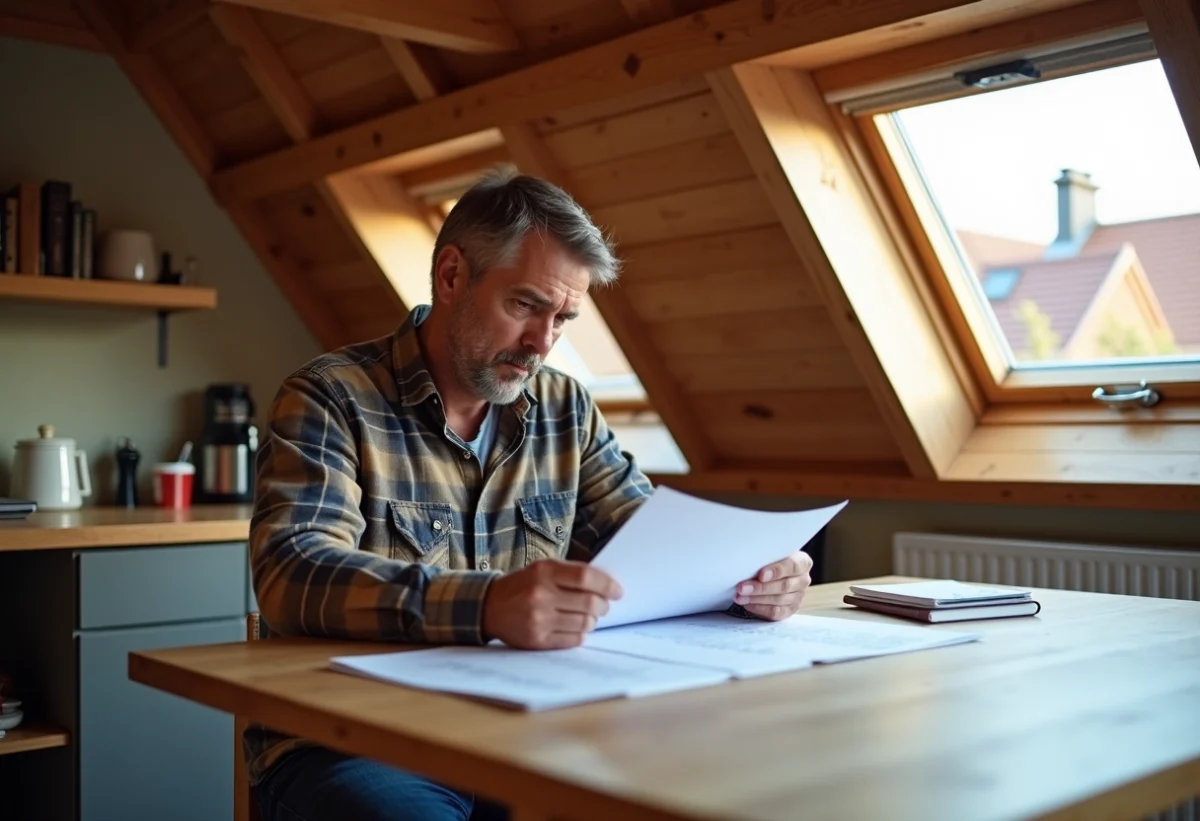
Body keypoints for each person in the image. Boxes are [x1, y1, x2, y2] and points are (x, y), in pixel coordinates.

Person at [245, 169, 815, 821]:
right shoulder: (330, 397)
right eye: (525, 306)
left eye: (563, 318)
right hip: (354, 742)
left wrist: (754, 577)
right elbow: (291, 572)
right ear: (452, 275)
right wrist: (486, 604)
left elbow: (650, 544)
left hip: (532, 726)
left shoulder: (566, 408)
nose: (543, 344)